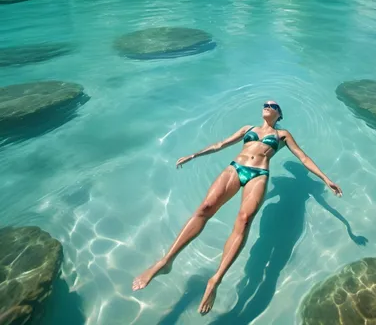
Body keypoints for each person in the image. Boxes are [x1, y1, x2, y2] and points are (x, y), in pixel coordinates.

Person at [132, 100, 342, 315]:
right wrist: (194, 155)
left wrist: (326, 179)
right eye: (265, 104)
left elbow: (303, 157)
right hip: (235, 168)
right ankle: (165, 262)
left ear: (279, 114)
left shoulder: (282, 135)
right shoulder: (248, 129)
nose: (267, 105)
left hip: (258, 175)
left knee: (244, 220)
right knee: (205, 208)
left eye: (273, 105)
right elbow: (221, 144)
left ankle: (215, 280)